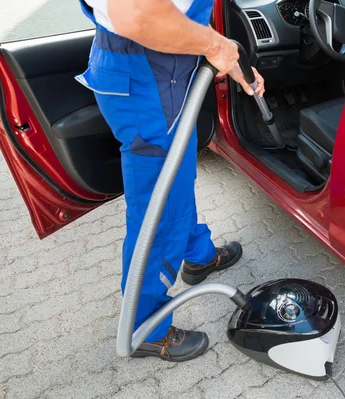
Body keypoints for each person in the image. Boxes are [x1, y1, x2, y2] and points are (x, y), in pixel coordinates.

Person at [75, 0, 265, 362]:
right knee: (159, 212)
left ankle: (198, 256)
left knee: (177, 184)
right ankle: (145, 327)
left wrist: (230, 59)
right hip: (147, 82)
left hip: (162, 77)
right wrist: (214, 46)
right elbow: (139, 15)